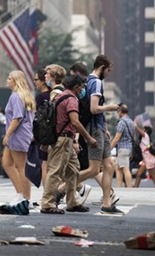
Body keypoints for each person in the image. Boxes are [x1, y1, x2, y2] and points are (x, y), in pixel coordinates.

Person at [40, 74, 97, 214]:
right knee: (55, 171)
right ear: (76, 87)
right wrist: (89, 138)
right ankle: (47, 204)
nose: (83, 90)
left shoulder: (59, 96)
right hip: (63, 140)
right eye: (82, 87)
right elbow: (75, 122)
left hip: (64, 139)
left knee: (74, 170)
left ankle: (72, 202)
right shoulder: (71, 99)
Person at [77, 55, 121, 214]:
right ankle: (62, 188)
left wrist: (106, 128)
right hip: (95, 128)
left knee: (109, 165)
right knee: (94, 170)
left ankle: (107, 203)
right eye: (108, 70)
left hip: (99, 127)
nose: (109, 73)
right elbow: (94, 109)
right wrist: (110, 107)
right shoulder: (95, 82)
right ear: (101, 67)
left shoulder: (89, 80)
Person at [0, 71, 36, 215]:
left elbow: (17, 118)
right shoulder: (23, 95)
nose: (7, 80)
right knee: (7, 163)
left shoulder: (16, 96)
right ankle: (20, 194)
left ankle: (26, 199)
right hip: (19, 135)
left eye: (9, 78)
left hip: (18, 135)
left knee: (21, 167)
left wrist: (7, 135)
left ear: (16, 80)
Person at [110, 104, 134, 188]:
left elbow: (117, 137)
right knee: (118, 168)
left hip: (123, 148)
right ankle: (119, 187)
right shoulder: (131, 121)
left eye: (118, 111)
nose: (117, 113)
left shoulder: (122, 122)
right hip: (128, 147)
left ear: (120, 111)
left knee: (125, 169)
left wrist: (110, 148)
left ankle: (129, 188)